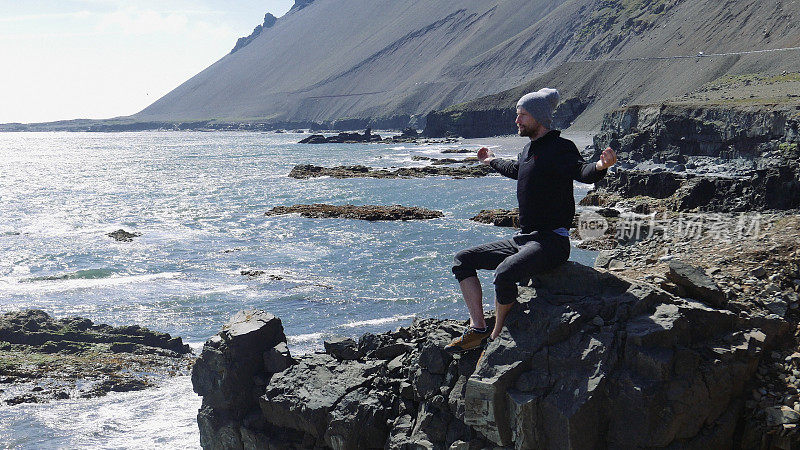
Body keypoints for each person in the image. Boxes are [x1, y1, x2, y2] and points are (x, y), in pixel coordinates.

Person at [445, 88, 618, 353]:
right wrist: (490, 160)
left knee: (504, 274)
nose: (517, 121)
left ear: (539, 117)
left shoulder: (561, 147)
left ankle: (496, 335)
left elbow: (581, 171)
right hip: (524, 239)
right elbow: (516, 170)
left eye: (522, 115)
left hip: (552, 242)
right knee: (462, 260)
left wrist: (600, 166)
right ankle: (477, 328)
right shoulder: (527, 150)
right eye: (517, 115)